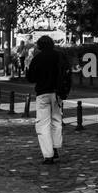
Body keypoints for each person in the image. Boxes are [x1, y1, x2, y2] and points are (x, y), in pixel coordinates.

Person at [25, 35, 64, 165]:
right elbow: (66, 73)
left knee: (43, 124)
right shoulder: (59, 56)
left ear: (40, 45)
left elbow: (31, 78)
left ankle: (48, 155)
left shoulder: (38, 58)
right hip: (57, 92)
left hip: (42, 93)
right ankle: (56, 147)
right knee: (56, 121)